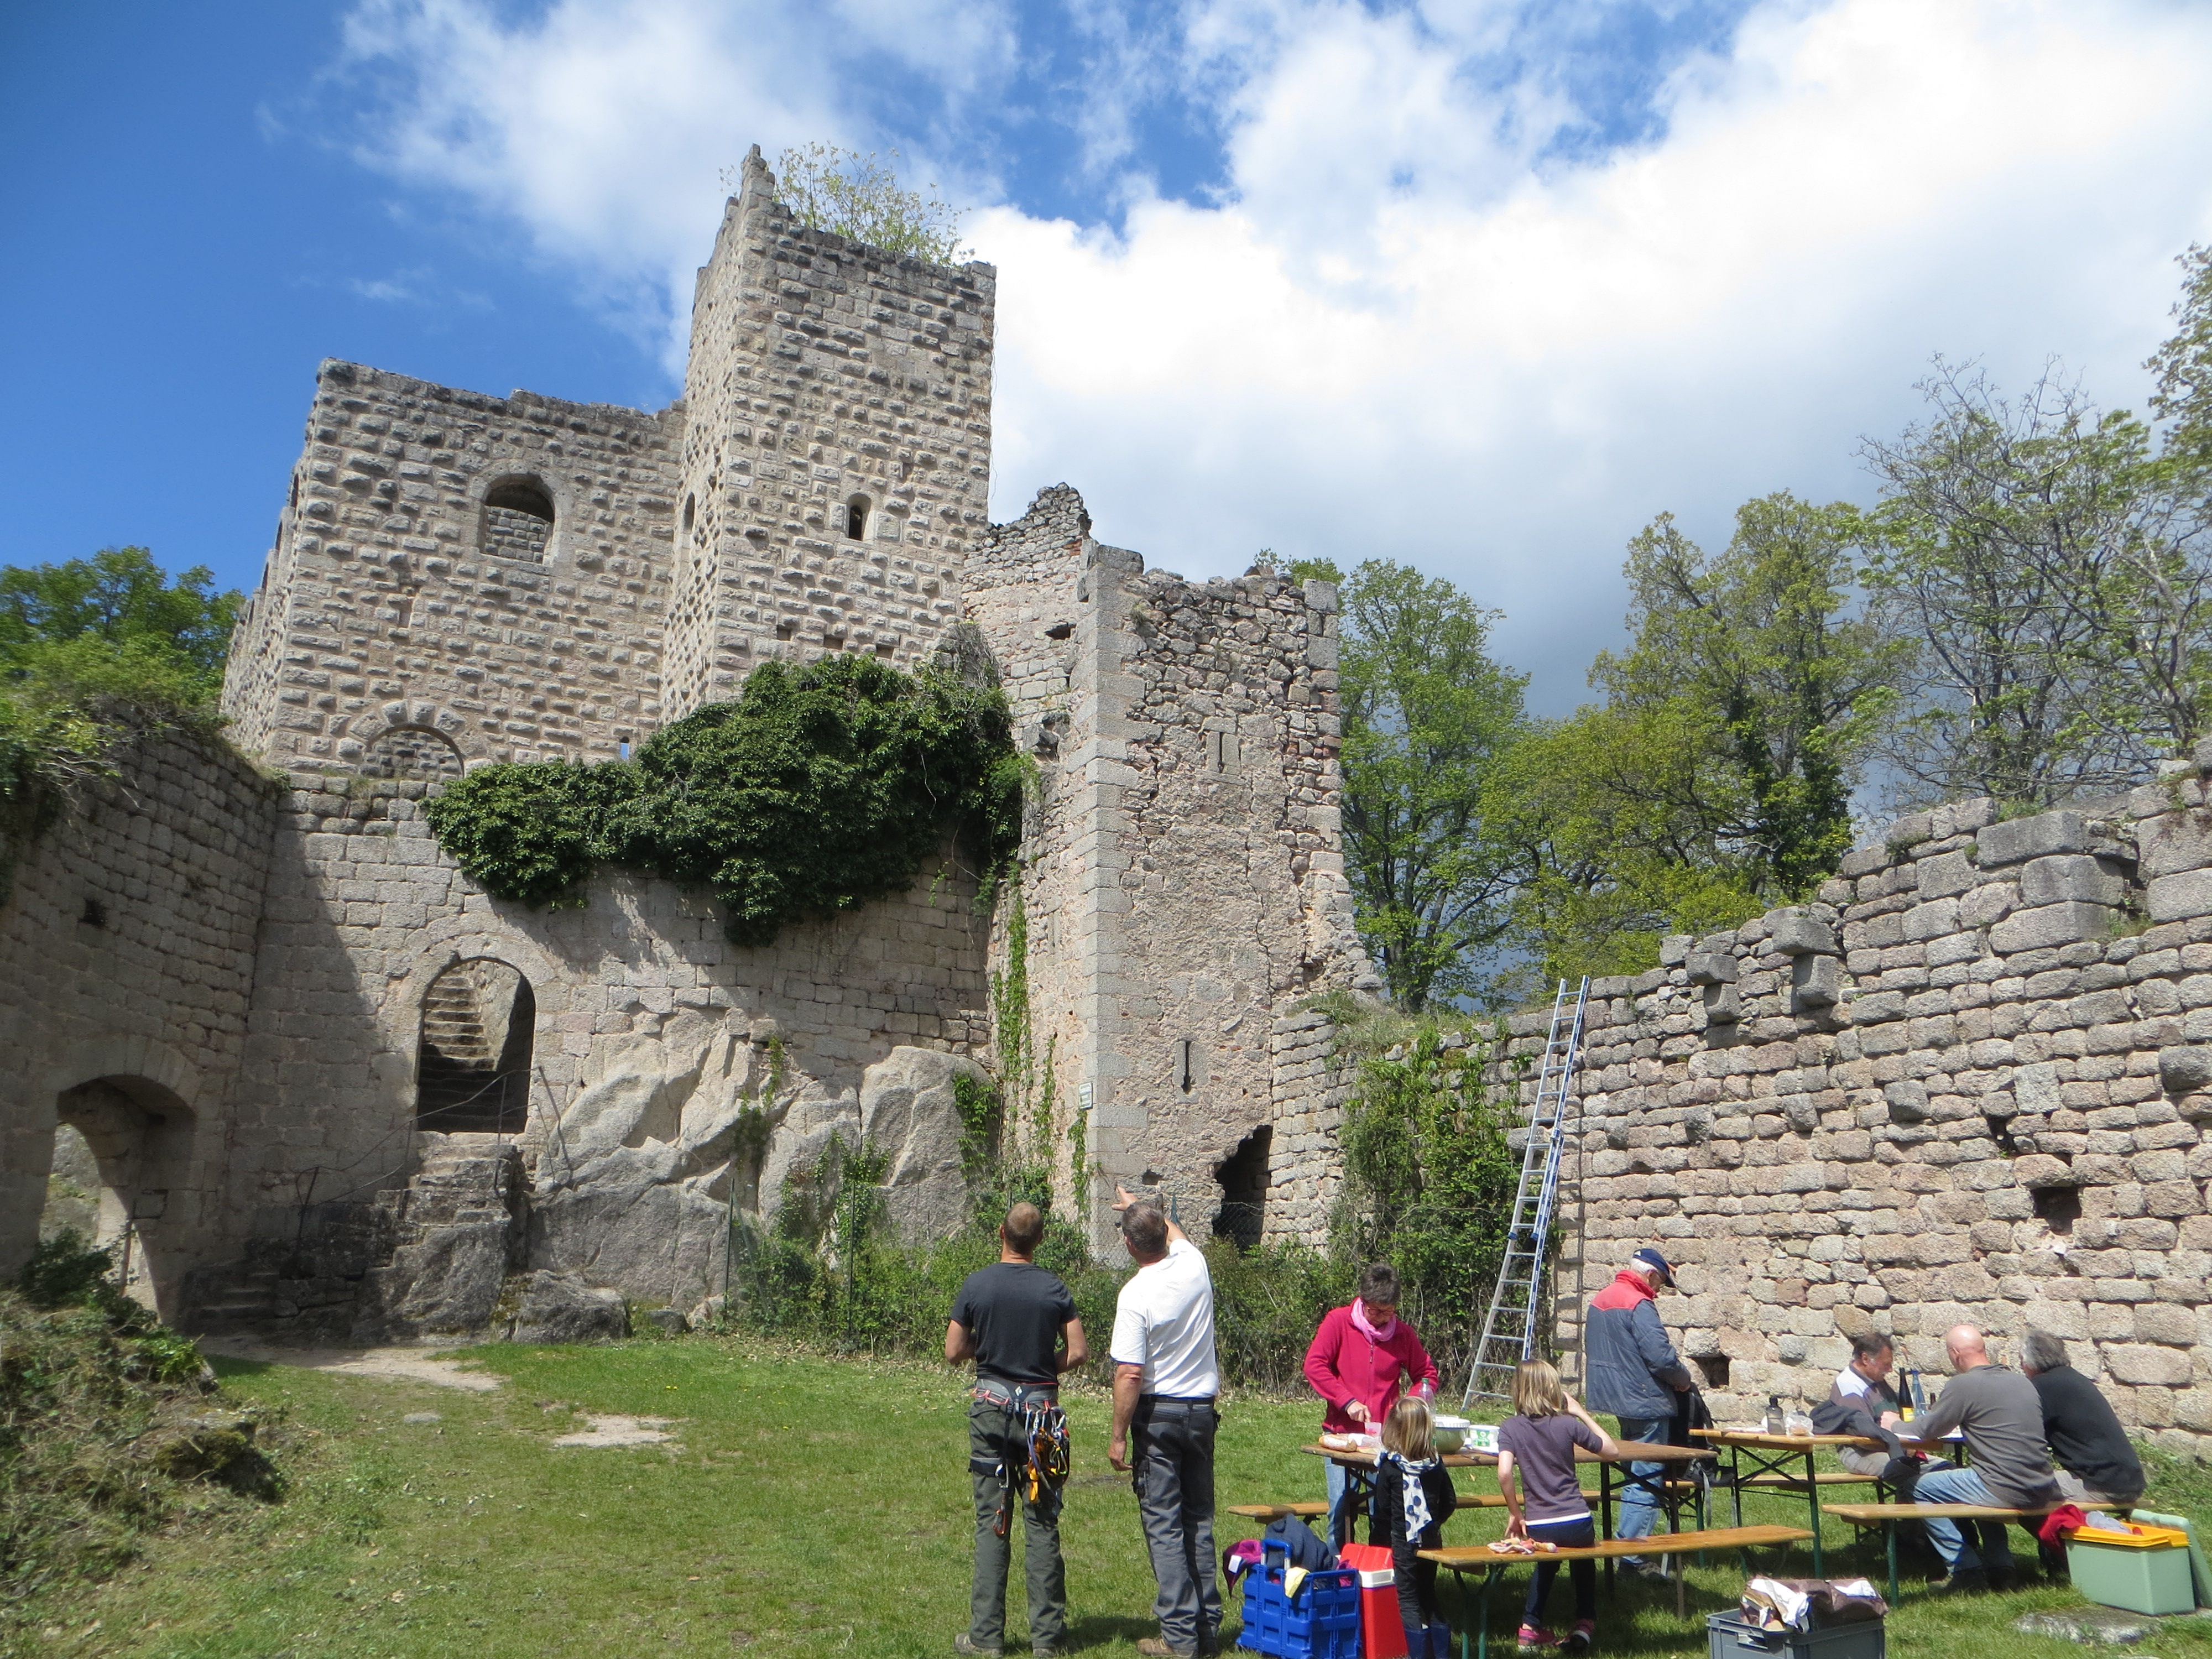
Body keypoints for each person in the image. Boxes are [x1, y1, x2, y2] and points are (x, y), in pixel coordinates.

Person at [947, 1202, 1088, 1658]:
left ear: (1000, 1233)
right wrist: (1043, 1366)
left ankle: (986, 1638)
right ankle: (1048, 1640)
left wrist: (986, 1349)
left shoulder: (978, 1284)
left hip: (991, 1412)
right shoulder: (1054, 1288)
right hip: (1041, 1416)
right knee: (1042, 1522)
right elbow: (1079, 1352)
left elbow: (953, 1350)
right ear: (1040, 1240)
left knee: (994, 1520)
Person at [1108, 1186, 1223, 1659]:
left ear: (1129, 1245)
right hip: (1201, 1412)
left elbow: (1130, 1373)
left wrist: (1118, 1435)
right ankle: (1207, 1631)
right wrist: (1141, 1207)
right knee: (1198, 1520)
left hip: (1159, 1416)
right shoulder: (1194, 1264)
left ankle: (1178, 1638)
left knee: (1165, 1525)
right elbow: (1176, 1233)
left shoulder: (1136, 1293)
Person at [1900, 1325, 2063, 1592]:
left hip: (2005, 1487)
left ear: (1955, 1354)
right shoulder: (2022, 1382)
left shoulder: (1964, 1384)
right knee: (1981, 1485)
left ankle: (1965, 1569)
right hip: (2042, 1484)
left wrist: (1893, 1424)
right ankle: (2002, 1568)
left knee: (1918, 1487)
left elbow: (1927, 1430)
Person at [1303, 1262, 1441, 1545]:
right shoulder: (1338, 1322)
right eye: (1374, 1311)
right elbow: (1315, 1365)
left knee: (1385, 1511)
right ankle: (1340, 1566)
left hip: (1386, 1439)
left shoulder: (1403, 1334)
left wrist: (1411, 1404)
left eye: (1388, 1312)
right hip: (1342, 1435)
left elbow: (1426, 1375)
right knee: (1341, 1510)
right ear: (1362, 1301)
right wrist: (1347, 1401)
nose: (1380, 1318)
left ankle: (1381, 1566)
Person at [1580, 1245, 1692, 1573]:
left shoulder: (1601, 1298)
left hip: (1615, 1398)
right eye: (1661, 1283)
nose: (1659, 1290)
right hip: (1645, 1400)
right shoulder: (1638, 1303)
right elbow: (1661, 1358)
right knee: (1646, 1479)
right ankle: (1631, 1557)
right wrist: (1683, 1380)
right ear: (1651, 1274)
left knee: (1633, 1475)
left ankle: (1624, 1547)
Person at [1496, 1359, 1618, 1656]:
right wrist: (1581, 1413)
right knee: (1583, 1556)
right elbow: (1611, 1451)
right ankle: (1584, 1622)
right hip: (1578, 1521)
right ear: (1552, 1389)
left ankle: (1530, 1626)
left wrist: (1516, 1512)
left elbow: (1504, 1473)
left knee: (1547, 1560)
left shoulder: (1510, 1427)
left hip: (1540, 1524)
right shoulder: (1567, 1424)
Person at [1815, 1332, 1957, 1498]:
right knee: (1906, 1474)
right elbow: (1864, 1438)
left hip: (1892, 1445)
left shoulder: (1876, 1379)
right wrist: (1902, 1447)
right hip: (1860, 1452)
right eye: (1886, 1364)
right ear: (1865, 1359)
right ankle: (1909, 1514)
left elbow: (1900, 1412)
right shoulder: (1849, 1387)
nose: (1890, 1370)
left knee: (1948, 1470)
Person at [1373, 1396, 1458, 1659]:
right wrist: (1433, 1522)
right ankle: (1441, 1653)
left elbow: (1382, 1508)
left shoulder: (1390, 1466)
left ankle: (1417, 1653)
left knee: (1408, 1599)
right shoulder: (1435, 1464)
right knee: (1429, 1593)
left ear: (1393, 1429)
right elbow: (1450, 1501)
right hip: (1431, 1539)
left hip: (1403, 1540)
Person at [2020, 1330, 2145, 1509]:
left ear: (2030, 1362)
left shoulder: (2043, 1386)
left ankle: (2051, 1531)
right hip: (2128, 1481)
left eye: (2022, 1361)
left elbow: (2023, 1435)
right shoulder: (2074, 1379)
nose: (2022, 1367)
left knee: (2015, 1485)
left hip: (2100, 1485)